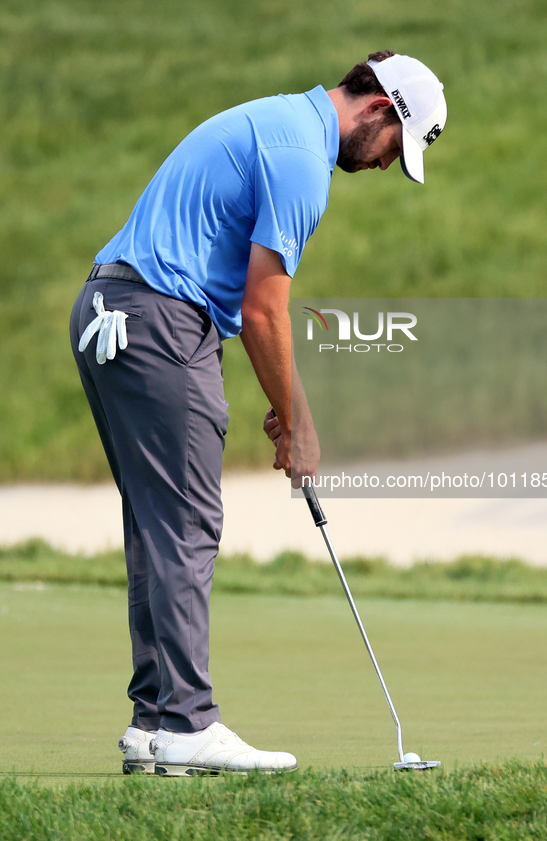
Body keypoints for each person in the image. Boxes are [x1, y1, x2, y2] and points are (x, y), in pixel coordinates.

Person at [70, 49, 447, 776]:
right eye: (393, 151)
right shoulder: (301, 155)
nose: (380, 168)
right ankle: (185, 721)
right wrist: (299, 423)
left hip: (109, 308)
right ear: (378, 110)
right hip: (155, 318)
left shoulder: (277, 122)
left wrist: (281, 400)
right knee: (185, 523)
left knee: (159, 523)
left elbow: (246, 308)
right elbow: (265, 307)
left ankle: (154, 724)